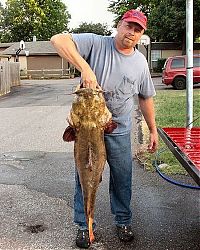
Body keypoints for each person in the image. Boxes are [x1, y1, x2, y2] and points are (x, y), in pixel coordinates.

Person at [51, 9, 158, 249]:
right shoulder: (97, 43)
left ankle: (123, 221)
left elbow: (146, 97)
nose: (131, 32)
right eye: (129, 25)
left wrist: (152, 129)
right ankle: (84, 225)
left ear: (141, 35)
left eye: (137, 29)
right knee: (84, 177)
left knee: (122, 178)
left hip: (118, 127)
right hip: (86, 129)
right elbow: (58, 40)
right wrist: (85, 69)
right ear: (120, 25)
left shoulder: (140, 62)